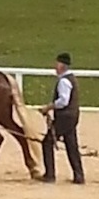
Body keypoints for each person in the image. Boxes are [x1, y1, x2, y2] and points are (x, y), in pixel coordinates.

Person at [38, 52, 85, 184]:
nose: (55, 66)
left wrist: (48, 107)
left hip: (64, 117)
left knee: (47, 143)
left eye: (57, 63)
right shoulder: (71, 79)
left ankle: (50, 175)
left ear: (62, 65)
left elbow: (63, 101)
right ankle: (79, 175)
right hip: (72, 116)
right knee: (71, 145)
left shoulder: (64, 81)